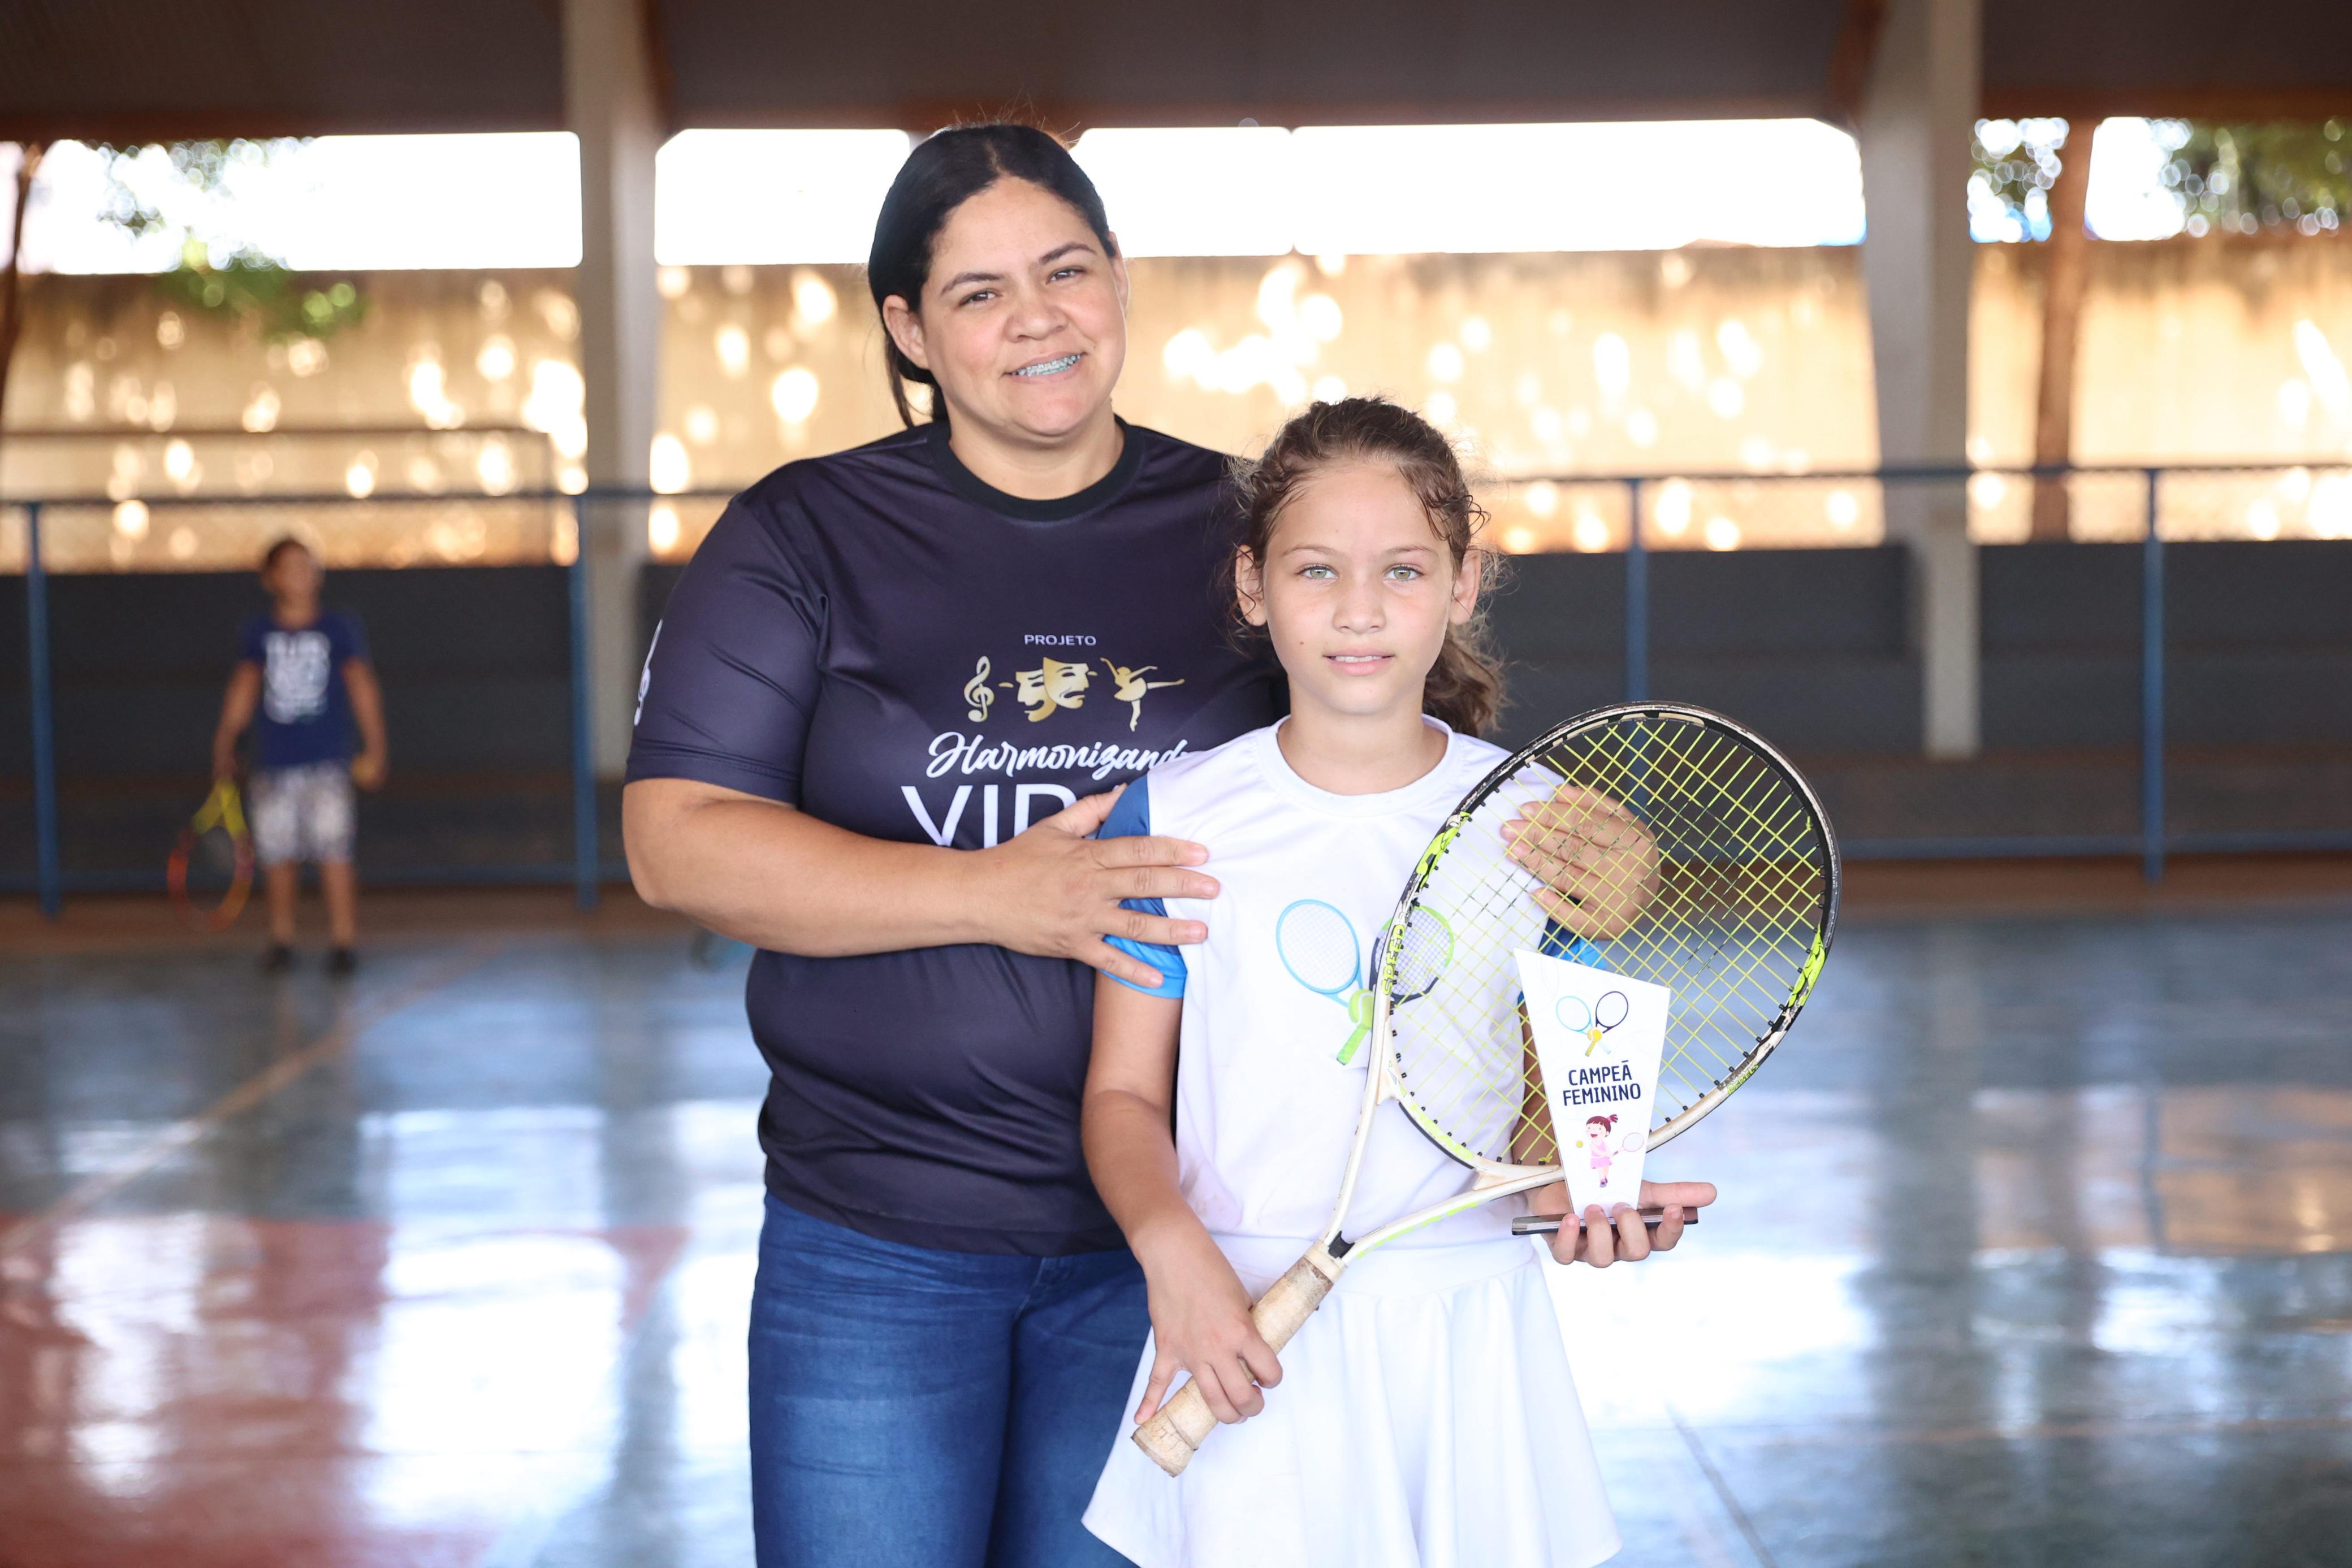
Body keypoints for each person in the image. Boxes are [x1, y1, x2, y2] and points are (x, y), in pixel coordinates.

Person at [622, 126, 1687, 1568]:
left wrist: (1598, 883)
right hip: (880, 1227)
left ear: (1118, 282)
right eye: (980, 291)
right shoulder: (805, 534)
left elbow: (1413, 822)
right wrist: (997, 894)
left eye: (1065, 271)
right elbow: (676, 843)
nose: (1036, 317)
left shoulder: (1249, 525)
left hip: (1180, 1253)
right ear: (909, 330)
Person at [1079, 399, 1715, 1567]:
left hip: (1466, 1314)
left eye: (1404, 570)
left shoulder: (1542, 825)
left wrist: (1587, 1191)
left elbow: (1559, 1104)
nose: (1360, 608)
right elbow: (1122, 1094)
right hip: (1237, 1306)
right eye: (1316, 569)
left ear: (1464, 583)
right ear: (1254, 584)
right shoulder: (1176, 813)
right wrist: (1172, 1253)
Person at [210, 537, 387, 974]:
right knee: (278, 855)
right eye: (290, 568)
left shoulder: (339, 629)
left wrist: (376, 745)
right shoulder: (259, 633)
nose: (301, 576)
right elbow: (243, 688)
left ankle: (343, 941)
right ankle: (282, 938)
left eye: (308, 567)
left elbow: (362, 685)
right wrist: (226, 740)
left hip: (328, 762)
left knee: (334, 851)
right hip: (275, 764)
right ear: (271, 579)